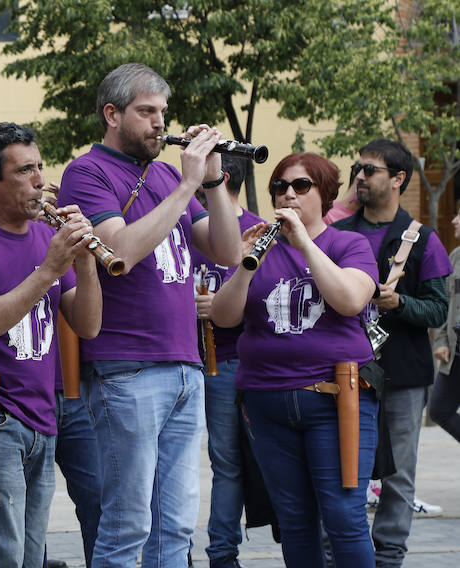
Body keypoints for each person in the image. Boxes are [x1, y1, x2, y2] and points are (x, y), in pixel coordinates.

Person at [56, 62, 241, 567]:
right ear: (112, 114)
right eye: (146, 112)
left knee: (176, 526)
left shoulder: (163, 171)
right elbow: (120, 252)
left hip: (184, 366)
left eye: (163, 111)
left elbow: (225, 250)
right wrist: (185, 186)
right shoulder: (87, 172)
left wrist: (214, 180)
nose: (160, 123)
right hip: (126, 368)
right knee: (127, 524)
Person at [0, 122, 102, 568]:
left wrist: (85, 263)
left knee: (30, 558)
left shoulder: (47, 236)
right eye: (26, 170)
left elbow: (86, 326)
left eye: (41, 167)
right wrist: (48, 270)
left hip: (42, 415)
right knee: (1, 556)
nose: (41, 182)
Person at [211, 152, 379, 567]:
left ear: (323, 194)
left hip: (334, 401)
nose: (288, 194)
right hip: (266, 402)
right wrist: (245, 268)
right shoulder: (258, 242)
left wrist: (304, 242)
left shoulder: (348, 243)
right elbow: (224, 317)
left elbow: (351, 298)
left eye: (300, 186)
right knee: (294, 521)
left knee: (343, 517)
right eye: (280, 187)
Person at [331, 139, 451, 566]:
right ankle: (341, 553)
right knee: (342, 470)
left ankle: (388, 560)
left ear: (399, 179)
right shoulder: (336, 235)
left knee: (398, 476)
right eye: (357, 168)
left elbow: (438, 307)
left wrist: (399, 303)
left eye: (370, 170)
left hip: (403, 374)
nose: (359, 176)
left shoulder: (424, 239)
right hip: (341, 372)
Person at [191, 154, 265, 568]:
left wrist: (219, 306)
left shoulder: (258, 229)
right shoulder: (188, 227)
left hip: (237, 361)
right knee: (210, 462)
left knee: (231, 460)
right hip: (187, 359)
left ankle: (222, 552)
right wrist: (189, 304)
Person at [430, 204, 460, 444]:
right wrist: (441, 340)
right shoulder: (455, 256)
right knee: (439, 409)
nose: (454, 221)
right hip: (455, 352)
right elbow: (446, 301)